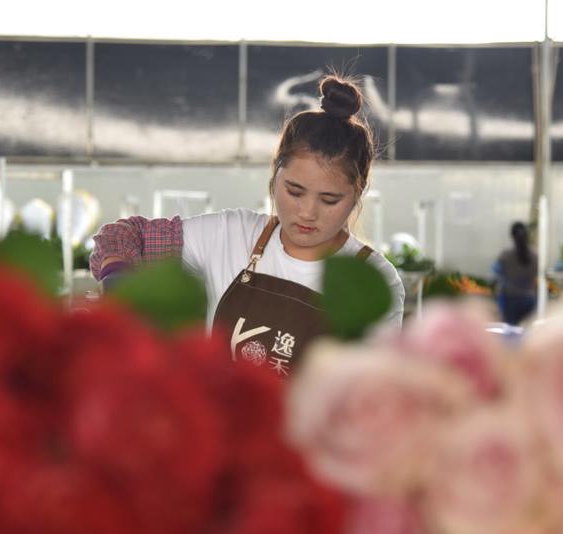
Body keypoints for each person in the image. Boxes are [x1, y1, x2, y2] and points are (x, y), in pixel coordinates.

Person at [90, 75, 405, 376]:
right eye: (294, 192)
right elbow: (126, 236)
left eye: (329, 200)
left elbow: (368, 392)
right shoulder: (231, 235)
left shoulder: (373, 280)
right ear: (275, 174)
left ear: (358, 193)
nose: (308, 212)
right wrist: (118, 289)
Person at [493, 222, 537, 325]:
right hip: (529, 298)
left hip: (510, 298)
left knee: (510, 330)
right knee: (528, 329)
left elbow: (495, 272)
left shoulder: (505, 255)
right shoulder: (535, 255)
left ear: (511, 236)